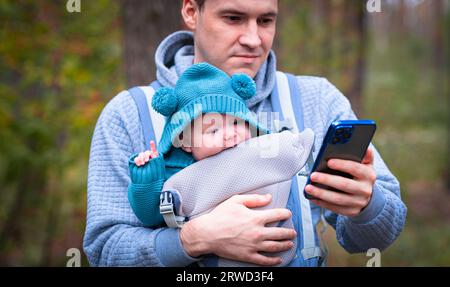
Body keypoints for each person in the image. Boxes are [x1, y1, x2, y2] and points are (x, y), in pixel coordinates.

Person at [83, 0, 407, 267]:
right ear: (191, 12)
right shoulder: (131, 112)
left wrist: (367, 206)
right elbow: (104, 250)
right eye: (234, 18)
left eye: (265, 20)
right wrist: (192, 240)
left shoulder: (316, 99)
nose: (254, 39)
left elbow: (382, 232)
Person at [127, 62, 315, 267]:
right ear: (187, 142)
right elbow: (150, 215)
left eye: (236, 123)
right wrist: (147, 177)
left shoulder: (258, 151)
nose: (230, 134)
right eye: (213, 131)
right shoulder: (178, 175)